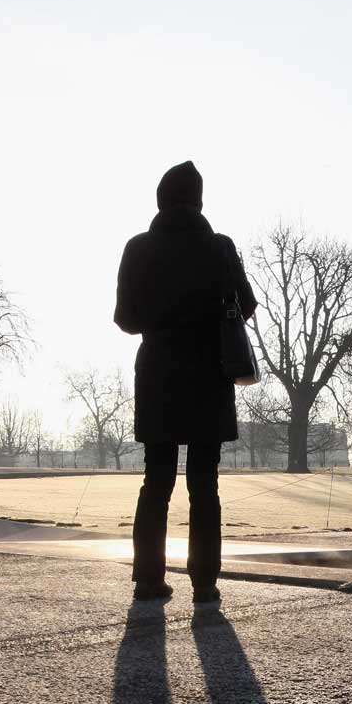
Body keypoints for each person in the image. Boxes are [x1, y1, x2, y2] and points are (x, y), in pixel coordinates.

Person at [114, 160, 258, 606]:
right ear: (199, 200)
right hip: (208, 376)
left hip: (158, 375)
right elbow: (247, 305)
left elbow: (125, 318)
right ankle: (206, 583)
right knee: (204, 484)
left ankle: (148, 579)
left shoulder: (138, 248)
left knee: (155, 481)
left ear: (160, 199)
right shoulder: (220, 247)